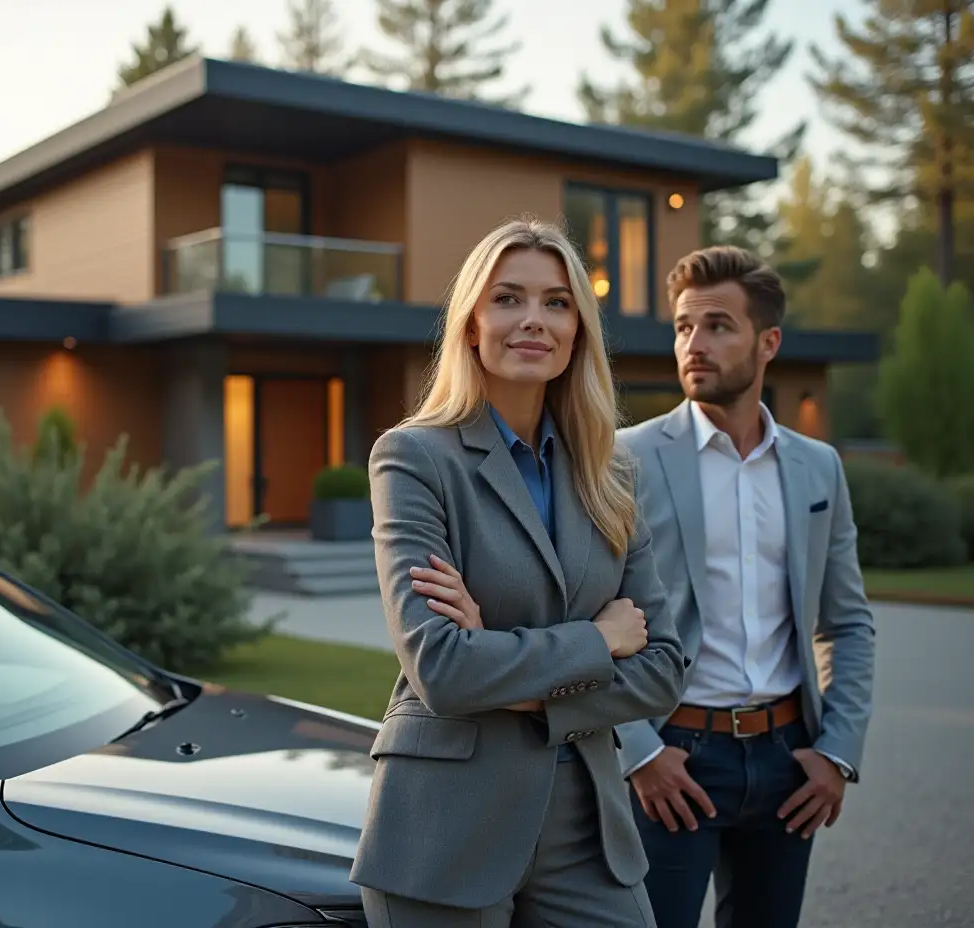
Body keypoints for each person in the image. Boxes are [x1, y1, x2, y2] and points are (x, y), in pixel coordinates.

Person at [349, 216, 687, 928]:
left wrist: (512, 678)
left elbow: (662, 666)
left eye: (556, 302)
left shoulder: (611, 472)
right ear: (471, 324)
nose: (533, 320)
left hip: (587, 826)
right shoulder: (413, 459)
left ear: (577, 332)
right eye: (507, 298)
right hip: (446, 826)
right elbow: (442, 668)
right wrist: (597, 640)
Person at [616, 245, 876, 928]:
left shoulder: (818, 467)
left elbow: (845, 622)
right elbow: (585, 614)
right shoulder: (625, 460)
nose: (693, 344)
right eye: (682, 326)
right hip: (676, 758)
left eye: (718, 326)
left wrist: (837, 753)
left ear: (769, 343)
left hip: (788, 758)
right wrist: (639, 752)